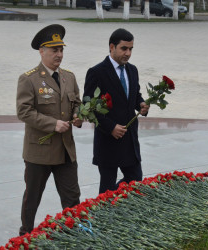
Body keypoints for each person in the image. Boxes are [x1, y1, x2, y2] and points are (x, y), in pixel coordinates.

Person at [16, 24, 82, 236]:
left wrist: (78, 115)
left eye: (61, 50)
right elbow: (24, 111)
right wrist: (52, 124)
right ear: (41, 51)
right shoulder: (29, 79)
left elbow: (77, 103)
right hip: (39, 151)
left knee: (72, 197)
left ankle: (74, 234)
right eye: (54, 50)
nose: (59, 54)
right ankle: (25, 235)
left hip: (65, 150)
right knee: (32, 197)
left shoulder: (69, 77)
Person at [83, 28, 150, 194]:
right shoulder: (97, 72)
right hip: (108, 143)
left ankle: (121, 204)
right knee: (106, 191)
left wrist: (141, 104)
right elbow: (88, 108)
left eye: (131, 49)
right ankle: (104, 216)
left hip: (130, 141)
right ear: (112, 47)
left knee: (135, 184)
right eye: (124, 48)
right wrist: (111, 127)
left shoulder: (132, 70)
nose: (128, 53)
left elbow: (135, 95)